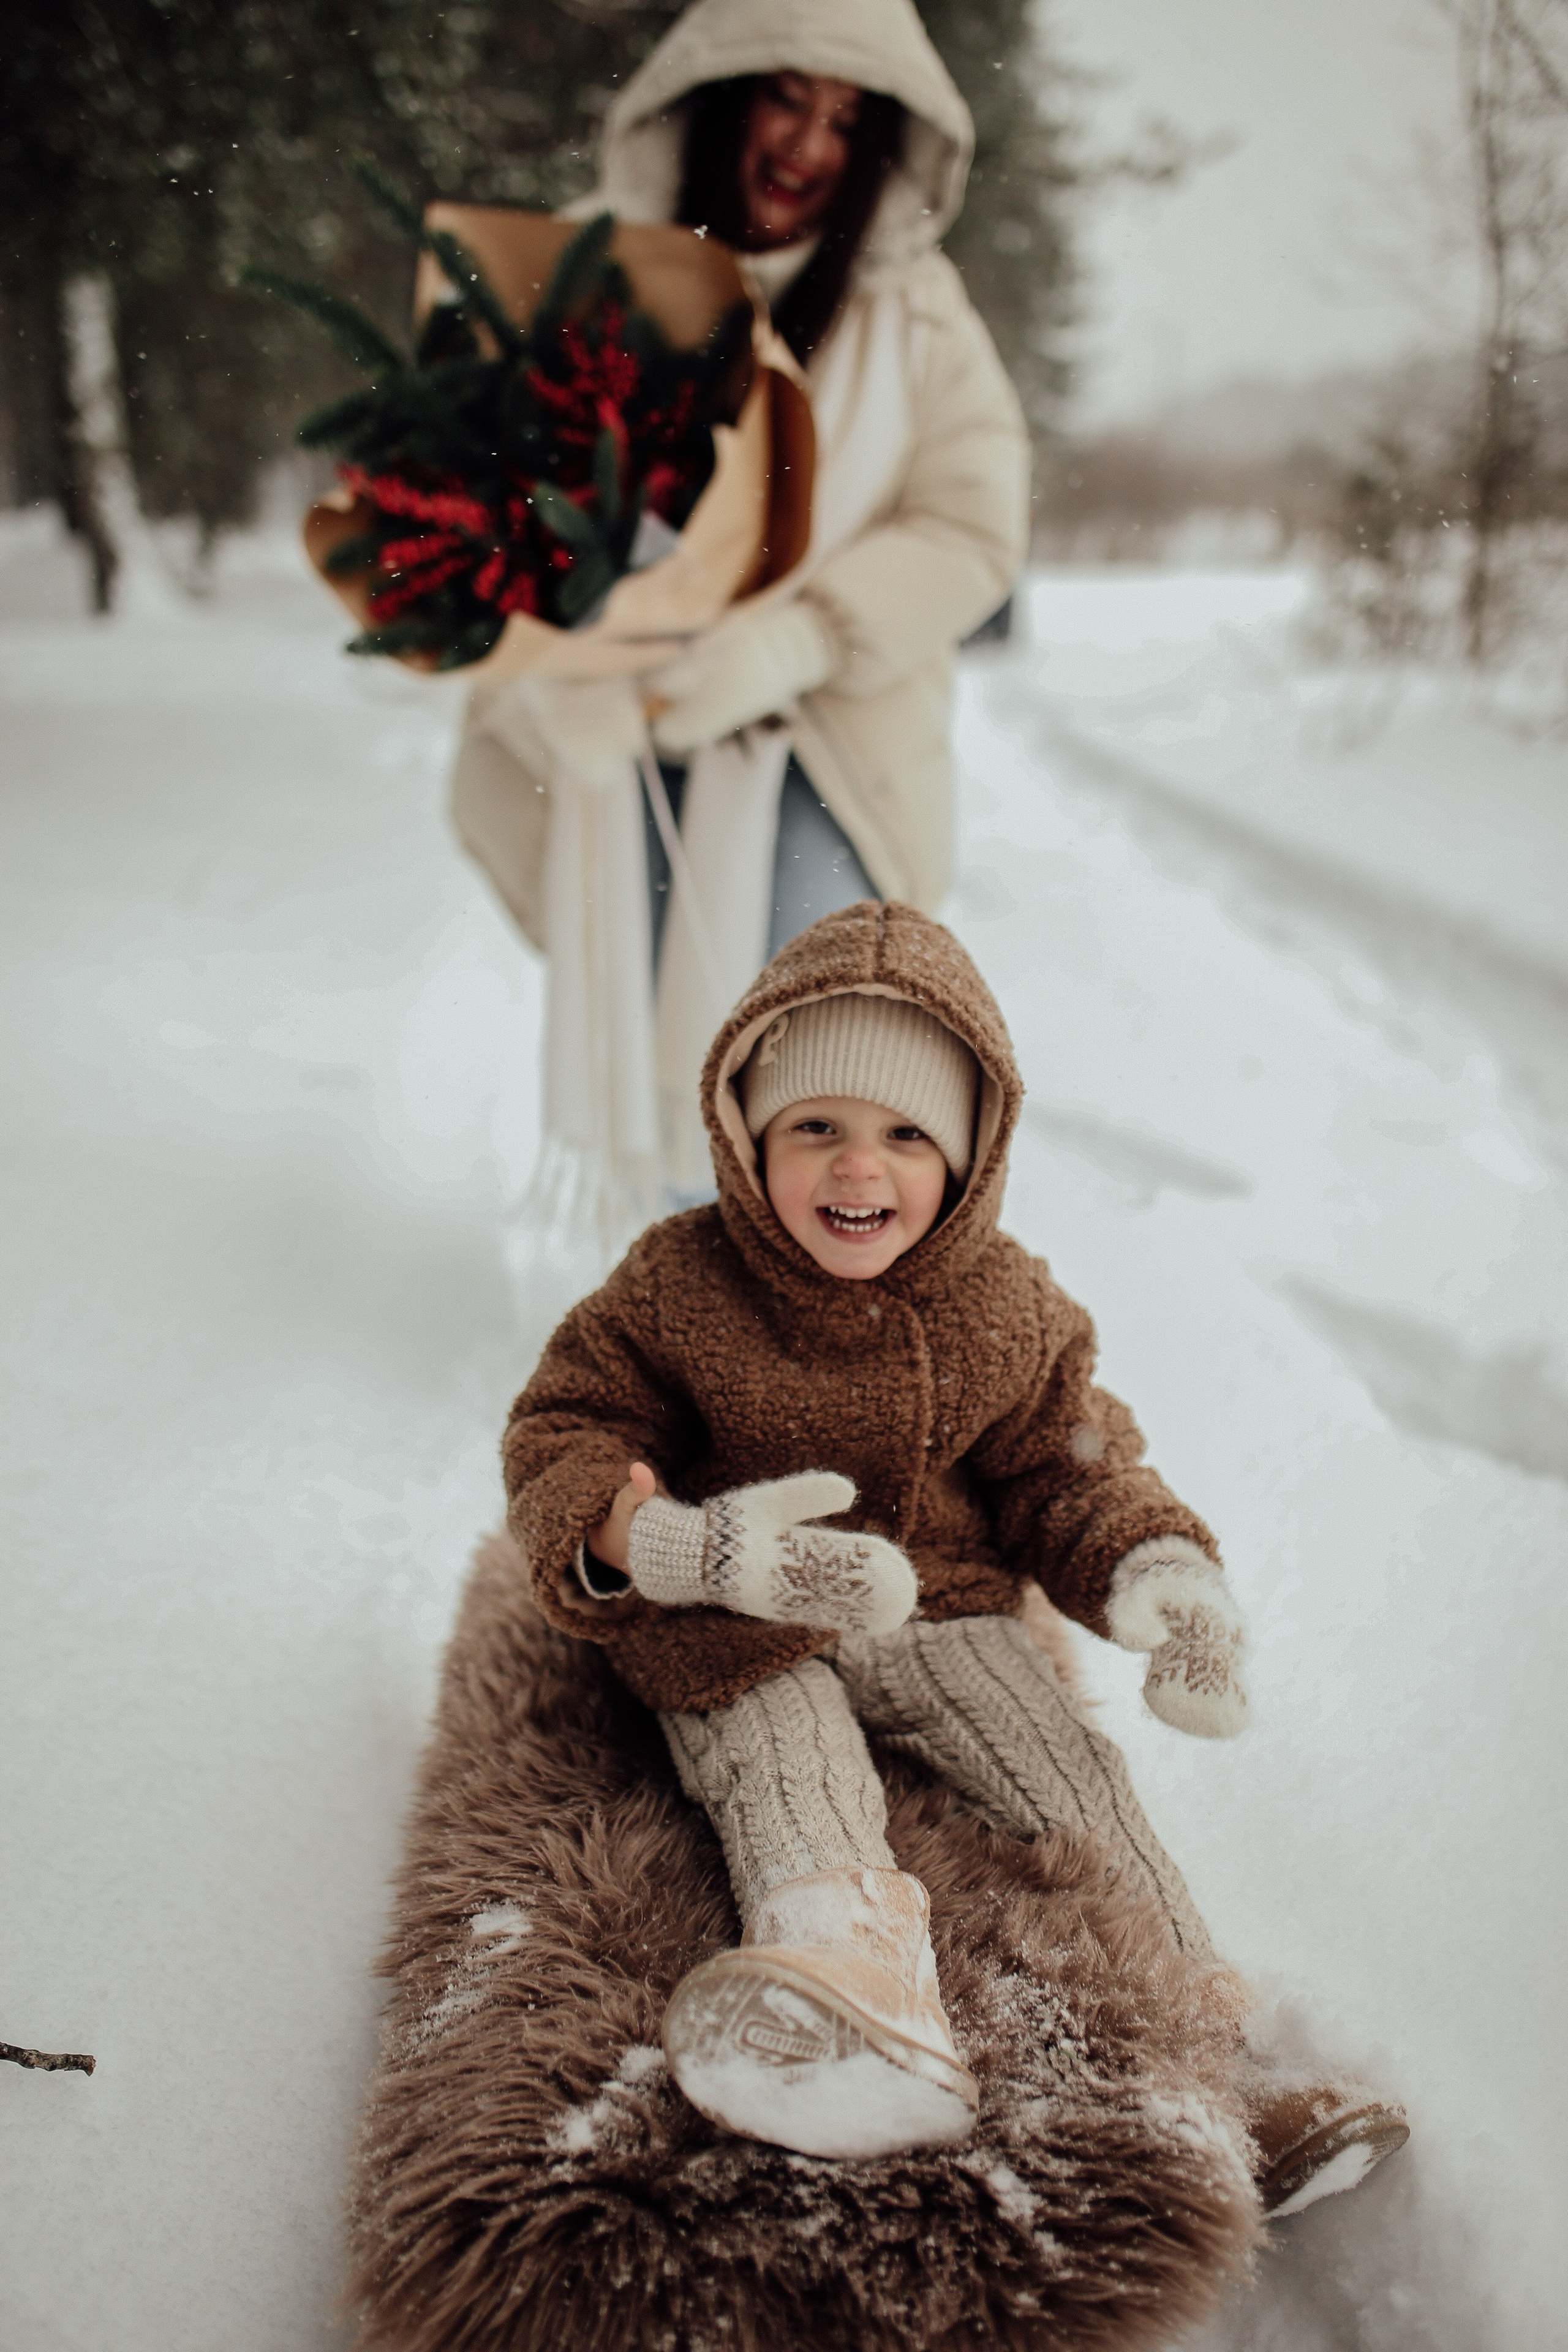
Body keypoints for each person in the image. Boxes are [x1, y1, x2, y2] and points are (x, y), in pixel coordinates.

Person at [502, 901, 1410, 2205]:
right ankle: (850, 1991)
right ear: (746, 1130)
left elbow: (1067, 1463)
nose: (854, 1170)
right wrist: (672, 1546)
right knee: (781, 1763)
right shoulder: (674, 1286)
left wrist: (1155, 1567)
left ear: (972, 1157)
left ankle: (1221, 2062)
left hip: (943, 1604)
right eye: (813, 1126)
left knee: (1068, 1781)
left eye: (904, 1135)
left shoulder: (1006, 1305)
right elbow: (562, 1433)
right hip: (739, 1610)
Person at [452, 0, 1031, 1242]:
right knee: (663, 1026)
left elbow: (973, 527)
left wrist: (799, 635)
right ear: (722, 96)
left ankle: (808, 1322)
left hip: (831, 743)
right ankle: (686, 1309)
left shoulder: (915, 313)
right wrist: (560, 673)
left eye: (845, 118)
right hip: (626, 737)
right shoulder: (590, 282)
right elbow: (494, 519)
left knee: (808, 1037)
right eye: (787, 98)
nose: (808, 145)